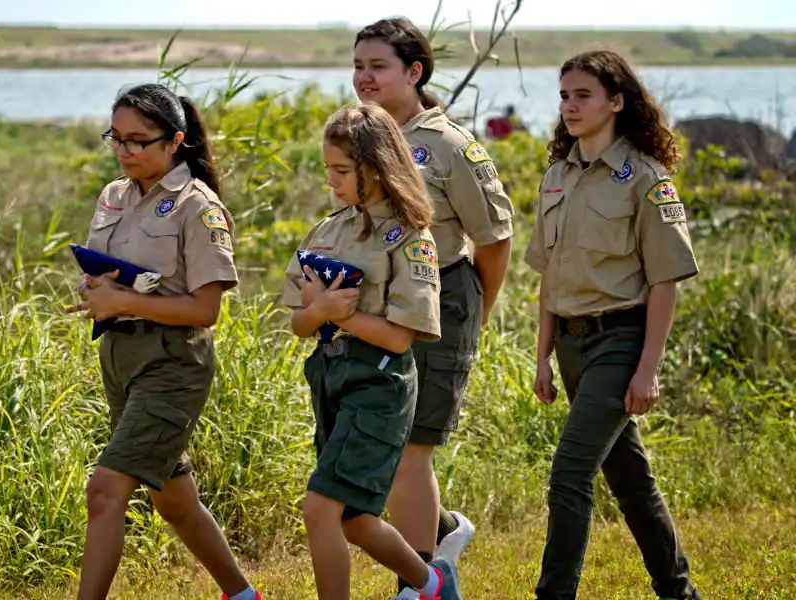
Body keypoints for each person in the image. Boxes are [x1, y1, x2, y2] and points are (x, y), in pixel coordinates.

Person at [67, 83, 262, 600]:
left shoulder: (198, 208)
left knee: (105, 491)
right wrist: (97, 290)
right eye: (117, 138)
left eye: (138, 141)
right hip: (120, 357)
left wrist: (124, 302)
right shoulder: (113, 195)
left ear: (175, 141)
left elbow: (206, 309)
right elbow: (103, 273)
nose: (124, 150)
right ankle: (244, 595)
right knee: (173, 499)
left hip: (172, 364)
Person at [525, 50, 703, 600]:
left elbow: (665, 280)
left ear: (616, 102)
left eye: (583, 96)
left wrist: (648, 369)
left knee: (570, 472)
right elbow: (550, 280)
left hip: (621, 341)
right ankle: (678, 591)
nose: (570, 106)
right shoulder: (557, 177)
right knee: (629, 480)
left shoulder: (646, 179)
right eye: (564, 96)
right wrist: (542, 357)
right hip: (572, 349)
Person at [352, 17, 515, 590]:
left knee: (413, 448)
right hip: (378, 310)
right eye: (358, 66)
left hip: (443, 301)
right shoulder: (362, 138)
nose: (363, 77)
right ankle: (443, 533)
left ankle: (418, 582)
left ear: (413, 72)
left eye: (378, 66)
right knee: (392, 444)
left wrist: (478, 312)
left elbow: (494, 241)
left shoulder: (449, 146)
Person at [282, 104, 465, 600]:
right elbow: (299, 323)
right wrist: (318, 312)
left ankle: (428, 582)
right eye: (328, 169)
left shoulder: (410, 237)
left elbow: (401, 337)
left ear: (377, 166)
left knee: (320, 507)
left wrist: (340, 315)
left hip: (379, 384)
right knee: (356, 520)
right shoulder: (327, 230)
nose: (332, 181)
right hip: (330, 380)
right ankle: (431, 583)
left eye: (342, 171)